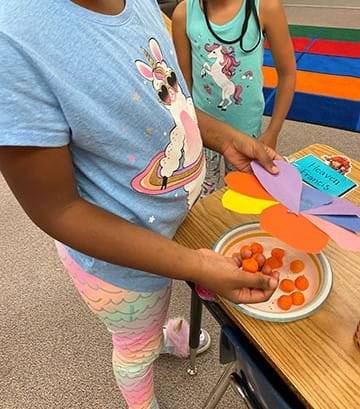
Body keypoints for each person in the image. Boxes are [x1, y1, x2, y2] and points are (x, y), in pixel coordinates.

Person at [0, 0, 281, 408]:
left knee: (155, 309)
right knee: (134, 346)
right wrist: (199, 267)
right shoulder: (14, 41)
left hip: (165, 234)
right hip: (119, 266)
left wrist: (222, 136)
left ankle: (157, 333)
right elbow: (56, 210)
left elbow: (169, 101)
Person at [172, 0, 296, 195]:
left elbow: (288, 74)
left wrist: (273, 131)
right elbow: (183, 87)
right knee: (200, 202)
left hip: (248, 136)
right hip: (202, 134)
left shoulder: (266, 7)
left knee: (243, 197)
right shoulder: (183, 14)